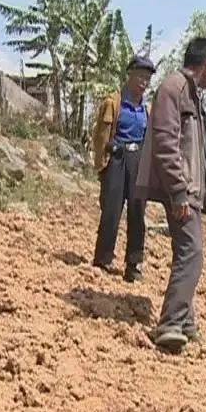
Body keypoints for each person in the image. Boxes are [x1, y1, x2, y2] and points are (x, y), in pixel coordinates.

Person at [135, 37, 206, 352]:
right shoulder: (175, 88)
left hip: (188, 189)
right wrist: (179, 192)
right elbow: (166, 143)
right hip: (181, 190)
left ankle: (185, 322)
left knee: (187, 252)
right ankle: (171, 323)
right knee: (192, 253)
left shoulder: (189, 93)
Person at [91, 55, 155, 283]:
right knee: (111, 209)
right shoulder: (113, 103)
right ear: (129, 75)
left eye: (147, 78)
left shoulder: (146, 110)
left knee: (137, 212)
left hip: (137, 160)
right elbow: (100, 136)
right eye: (140, 76)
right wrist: (102, 163)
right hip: (117, 157)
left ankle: (133, 264)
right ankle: (103, 259)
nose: (143, 82)